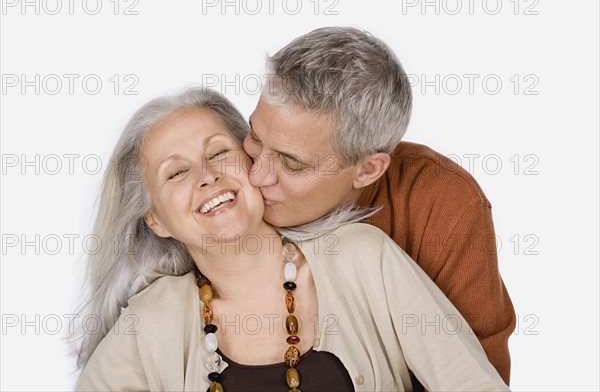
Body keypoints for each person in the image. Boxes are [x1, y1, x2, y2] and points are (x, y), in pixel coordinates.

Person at [73, 87, 509, 391]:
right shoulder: (147, 323)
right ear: (155, 219)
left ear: (252, 160)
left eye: (218, 152)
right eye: (177, 171)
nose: (207, 177)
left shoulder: (363, 258)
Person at [244, 26, 516, 385]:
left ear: (368, 169)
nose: (257, 175)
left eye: (292, 164)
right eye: (254, 136)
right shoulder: (226, 174)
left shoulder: (444, 204)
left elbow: (475, 371)